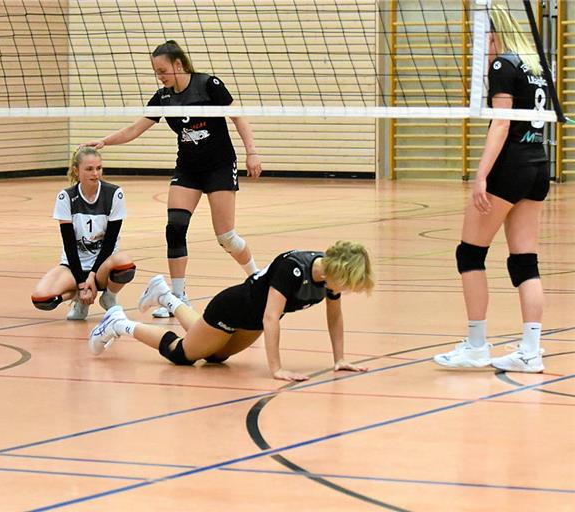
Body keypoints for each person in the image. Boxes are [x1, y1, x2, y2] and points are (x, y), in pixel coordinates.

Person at [81, 40, 262, 318]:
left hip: (219, 166)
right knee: (175, 228)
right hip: (188, 169)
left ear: (179, 65)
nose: (160, 76)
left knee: (226, 237)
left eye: (163, 70)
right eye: (156, 72)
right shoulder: (164, 97)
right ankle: (179, 298)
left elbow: (238, 117)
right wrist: (104, 141)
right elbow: (134, 129)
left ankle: (256, 277)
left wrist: (252, 152)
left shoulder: (208, 85)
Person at [433, 2, 550, 373]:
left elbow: (501, 124)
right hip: (537, 165)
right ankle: (531, 351)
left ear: (493, 34)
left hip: (509, 167)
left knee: (469, 254)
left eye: (480, 37)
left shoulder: (504, 65)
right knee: (524, 260)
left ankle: (476, 345)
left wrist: (481, 175)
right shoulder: (536, 65)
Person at [89, 241, 374, 382]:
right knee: (183, 354)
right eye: (348, 283)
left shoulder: (329, 278)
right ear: (337, 269)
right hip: (230, 309)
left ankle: (166, 297)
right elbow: (271, 317)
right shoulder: (294, 268)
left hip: (250, 322)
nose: (345, 290)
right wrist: (276, 368)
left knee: (215, 356)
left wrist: (340, 359)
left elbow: (334, 316)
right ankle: (119, 323)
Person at [31, 147, 136, 320]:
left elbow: (110, 242)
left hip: (102, 265)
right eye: (89, 169)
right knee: (41, 299)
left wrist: (93, 274)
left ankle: (108, 297)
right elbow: (69, 245)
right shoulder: (66, 197)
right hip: (73, 266)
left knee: (125, 264)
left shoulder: (114, 193)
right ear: (76, 170)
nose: (95, 173)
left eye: (99, 168)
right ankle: (79, 298)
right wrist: (82, 283)